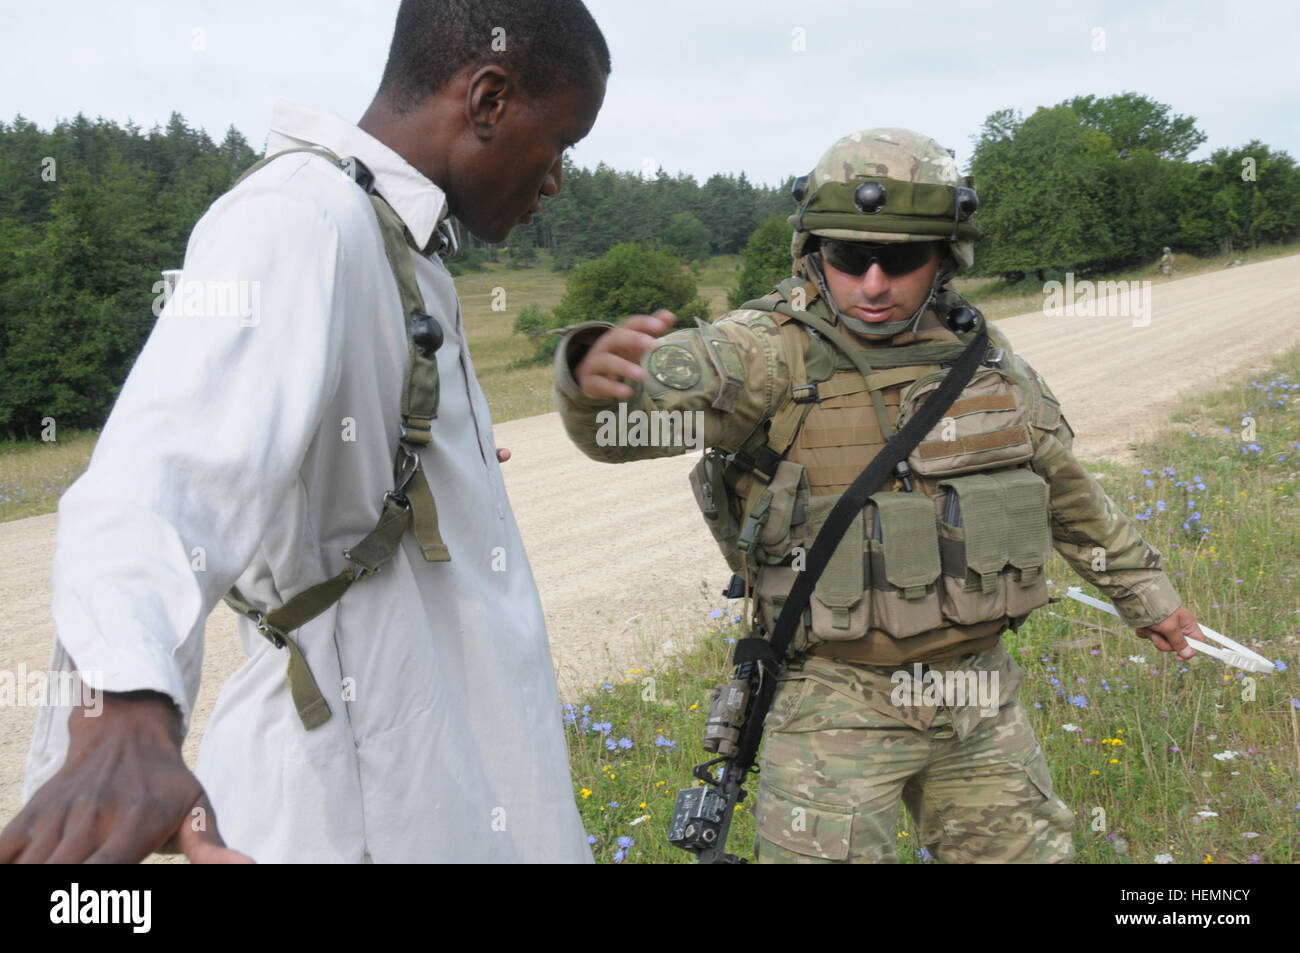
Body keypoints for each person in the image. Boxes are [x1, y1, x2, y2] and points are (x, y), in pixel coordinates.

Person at [2, 0, 609, 864]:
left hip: (443, 781)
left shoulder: (395, 238)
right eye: (562, 144)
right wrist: (125, 706)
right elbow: (156, 475)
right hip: (352, 802)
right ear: (488, 99)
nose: (554, 180)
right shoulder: (301, 216)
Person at [553, 128, 1207, 864]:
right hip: (838, 700)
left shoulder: (981, 355)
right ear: (812, 251)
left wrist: (1146, 593)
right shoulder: (767, 350)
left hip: (976, 693)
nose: (871, 282)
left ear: (946, 257)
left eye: (898, 259)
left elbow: (1060, 486)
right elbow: (627, 427)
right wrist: (590, 376)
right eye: (846, 256)